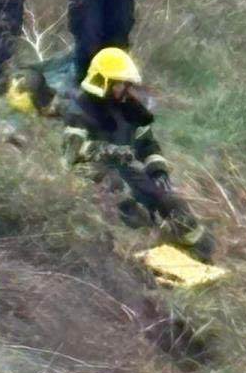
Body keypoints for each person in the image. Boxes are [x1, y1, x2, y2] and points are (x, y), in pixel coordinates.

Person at [62, 47, 216, 260]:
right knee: (125, 199)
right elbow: (71, 153)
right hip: (89, 172)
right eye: (121, 83)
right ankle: (139, 253)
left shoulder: (130, 108)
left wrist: (158, 170)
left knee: (170, 202)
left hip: (124, 170)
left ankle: (199, 253)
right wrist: (109, 150)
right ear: (104, 81)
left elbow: (147, 144)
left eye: (127, 84)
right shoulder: (82, 108)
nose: (126, 89)